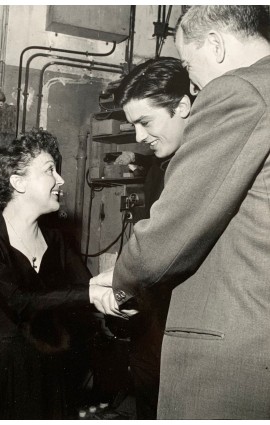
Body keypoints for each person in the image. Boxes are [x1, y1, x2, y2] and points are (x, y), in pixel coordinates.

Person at [95, 5, 270, 419]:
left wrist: (121, 286)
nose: (191, 83)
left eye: (190, 65)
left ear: (217, 45)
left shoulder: (238, 90)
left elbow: (170, 237)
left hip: (231, 353)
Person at [0, 129, 121, 419]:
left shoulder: (57, 240)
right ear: (18, 182)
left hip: (42, 374)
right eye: (51, 170)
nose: (61, 180)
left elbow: (83, 288)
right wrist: (90, 292)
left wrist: (113, 285)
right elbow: (18, 301)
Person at [110, 57, 194, 419]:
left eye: (145, 122)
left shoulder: (199, 166)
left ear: (184, 106)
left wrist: (119, 284)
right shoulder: (159, 170)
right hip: (156, 322)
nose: (139, 137)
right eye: (133, 125)